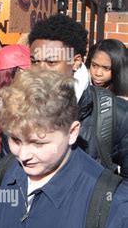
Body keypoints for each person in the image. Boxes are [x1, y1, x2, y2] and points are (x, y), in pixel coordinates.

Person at [0, 69, 128, 228]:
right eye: (16, 140)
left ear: (73, 132)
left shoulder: (112, 205)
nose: (23, 156)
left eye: (38, 143)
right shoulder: (3, 173)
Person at [28, 14, 128, 177]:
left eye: (51, 62)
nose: (40, 71)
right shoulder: (17, 108)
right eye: (34, 61)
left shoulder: (117, 113)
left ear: (75, 61)